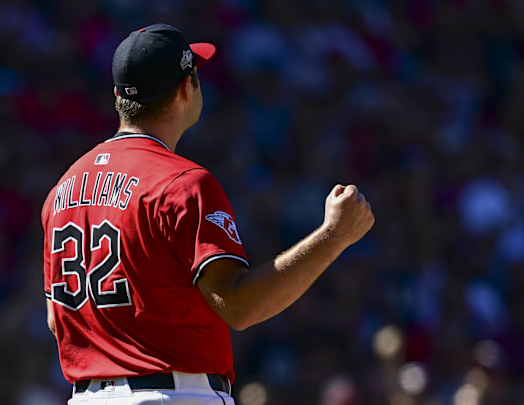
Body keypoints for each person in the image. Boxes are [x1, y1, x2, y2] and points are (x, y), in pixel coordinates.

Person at [41, 23, 375, 405]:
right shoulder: (182, 182)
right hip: (172, 394)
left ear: (118, 95)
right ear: (186, 89)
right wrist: (334, 236)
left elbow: (58, 320)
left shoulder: (62, 190)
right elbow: (239, 305)